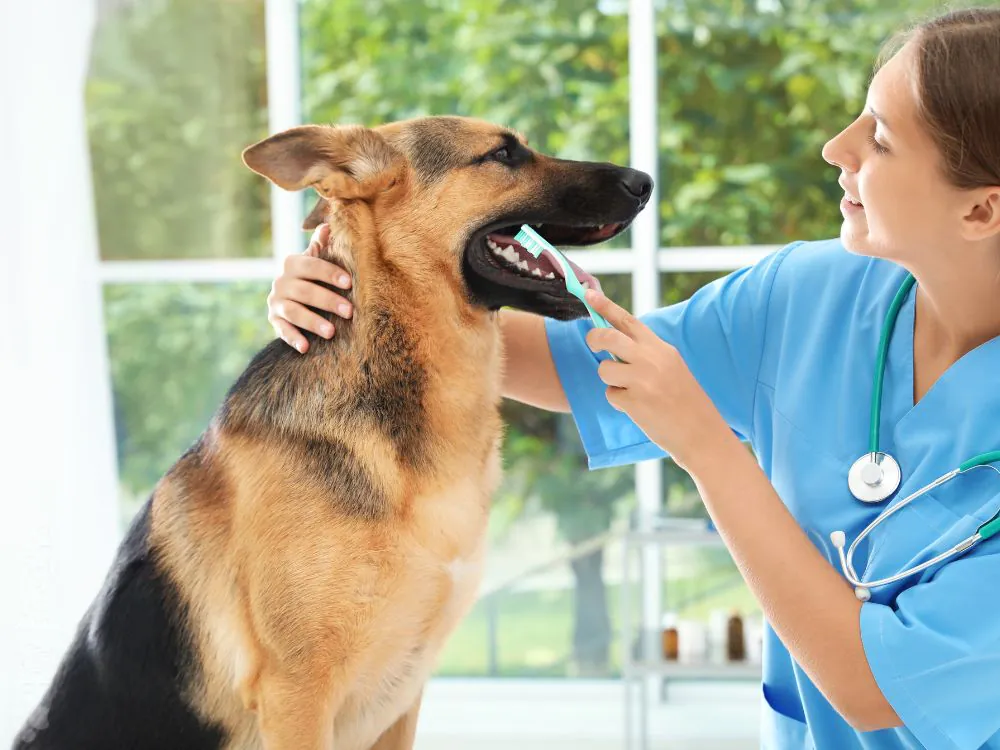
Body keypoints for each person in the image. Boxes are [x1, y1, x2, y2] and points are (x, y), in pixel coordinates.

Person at [264, 8, 1000, 749]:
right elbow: (568, 361)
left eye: (879, 137)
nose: (834, 147)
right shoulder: (810, 296)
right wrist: (356, 291)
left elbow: (874, 688)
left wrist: (708, 449)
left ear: (980, 208)